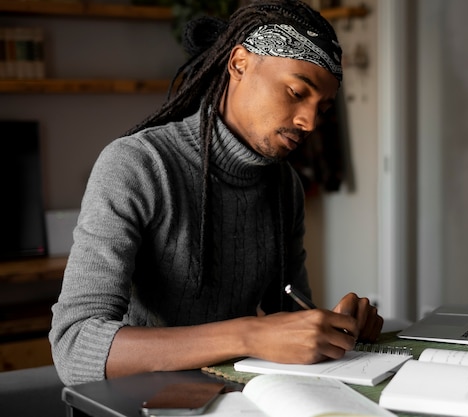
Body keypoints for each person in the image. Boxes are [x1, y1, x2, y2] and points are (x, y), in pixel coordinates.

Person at [49, 0, 383, 386]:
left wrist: (332, 326)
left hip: (232, 398)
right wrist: (248, 335)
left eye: (321, 108)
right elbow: (73, 346)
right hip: (139, 400)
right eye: (295, 92)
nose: (309, 121)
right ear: (239, 63)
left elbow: (287, 316)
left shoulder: (283, 185)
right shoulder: (137, 165)